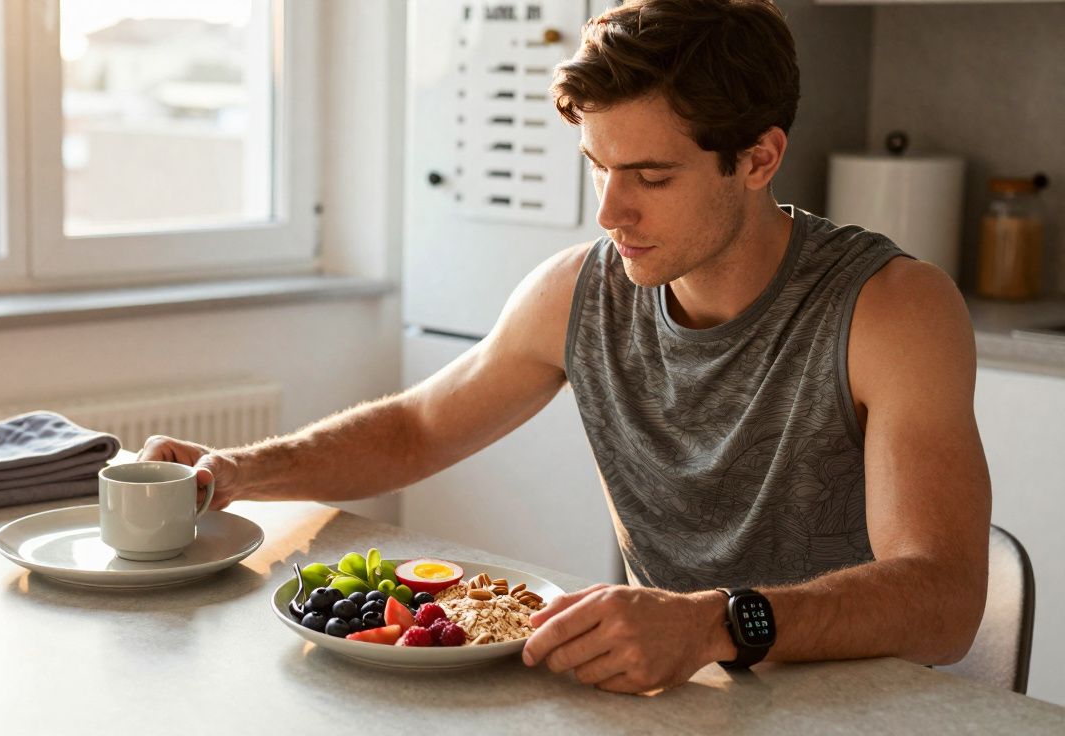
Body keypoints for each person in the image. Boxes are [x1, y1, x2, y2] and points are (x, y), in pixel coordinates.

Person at [140, 0, 990, 694]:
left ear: (760, 158)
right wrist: (239, 470)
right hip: (672, 704)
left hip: (861, 709)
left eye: (651, 178)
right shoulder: (580, 290)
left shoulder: (891, 309)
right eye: (597, 166)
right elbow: (419, 429)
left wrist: (711, 623)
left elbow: (945, 600)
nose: (609, 213)